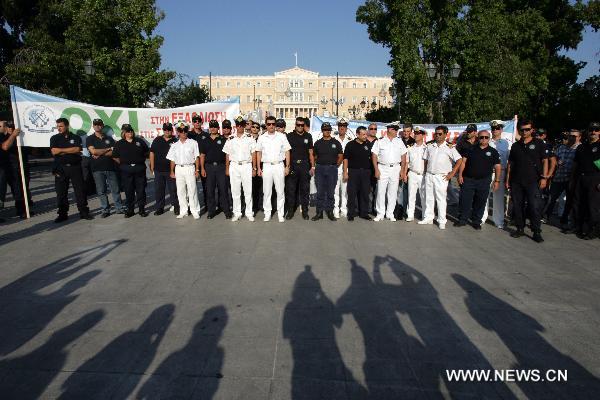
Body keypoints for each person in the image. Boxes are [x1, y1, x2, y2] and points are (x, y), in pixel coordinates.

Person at [505, 119, 549, 242]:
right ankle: (520, 228)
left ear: (532, 130)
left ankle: (536, 231)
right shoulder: (515, 146)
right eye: (522, 130)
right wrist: (508, 179)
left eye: (527, 129)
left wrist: (544, 177)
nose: (524, 132)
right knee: (518, 206)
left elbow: (545, 161)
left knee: (534, 206)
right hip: (516, 181)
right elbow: (510, 164)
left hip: (533, 181)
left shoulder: (539, 143)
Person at [419, 125, 463, 229]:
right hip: (429, 175)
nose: (437, 136)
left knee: (441, 199)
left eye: (440, 134)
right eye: (436, 133)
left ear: (445, 135)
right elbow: (425, 160)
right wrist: (425, 172)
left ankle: (442, 220)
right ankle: (428, 218)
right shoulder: (429, 146)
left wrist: (452, 174)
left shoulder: (450, 147)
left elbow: (459, 160)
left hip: (441, 177)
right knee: (429, 198)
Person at [456, 130, 502, 229]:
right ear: (478, 138)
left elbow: (498, 167)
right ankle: (462, 219)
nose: (484, 139)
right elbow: (463, 162)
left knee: (480, 202)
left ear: (489, 139)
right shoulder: (470, 148)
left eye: (486, 137)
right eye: (481, 137)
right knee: (465, 200)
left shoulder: (493, 152)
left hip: (484, 181)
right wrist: (460, 175)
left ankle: (476, 221)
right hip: (468, 179)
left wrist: (497, 181)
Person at [49, 118, 93, 222]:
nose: (59, 128)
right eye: (58, 126)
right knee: (61, 193)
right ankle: (62, 214)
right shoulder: (54, 138)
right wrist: (70, 150)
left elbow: (77, 149)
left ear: (67, 126)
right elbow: (54, 152)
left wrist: (61, 150)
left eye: (61, 126)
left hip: (75, 167)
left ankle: (84, 212)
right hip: (60, 168)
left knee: (80, 191)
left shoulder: (75, 137)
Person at [86, 118, 125, 218]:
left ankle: (119, 208)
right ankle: (105, 210)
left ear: (102, 126)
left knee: (115, 189)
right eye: (95, 125)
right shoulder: (90, 138)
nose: (97, 126)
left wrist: (100, 152)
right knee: (101, 191)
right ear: (93, 126)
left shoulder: (109, 138)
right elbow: (93, 152)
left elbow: (113, 152)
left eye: (99, 124)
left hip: (111, 167)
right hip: (97, 169)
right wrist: (107, 149)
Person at [256, 115, 291, 222]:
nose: (271, 126)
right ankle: (267, 213)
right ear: (266, 125)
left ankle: (280, 214)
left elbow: (287, 151)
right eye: (269, 124)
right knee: (267, 191)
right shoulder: (262, 137)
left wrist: (287, 166)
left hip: (279, 165)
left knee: (280, 191)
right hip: (266, 166)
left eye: (273, 124)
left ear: (275, 125)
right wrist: (258, 168)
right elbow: (259, 153)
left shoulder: (281, 136)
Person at [371, 124, 408, 222]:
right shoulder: (380, 141)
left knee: (393, 192)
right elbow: (374, 155)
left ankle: (390, 213)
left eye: (397, 129)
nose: (396, 131)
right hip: (382, 167)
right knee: (380, 192)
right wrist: (376, 169)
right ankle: (380, 213)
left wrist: (402, 170)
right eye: (394, 129)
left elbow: (403, 156)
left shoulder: (399, 141)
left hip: (396, 168)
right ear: (389, 129)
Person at [112, 123, 149, 218]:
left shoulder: (139, 141)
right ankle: (130, 210)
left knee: (140, 190)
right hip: (126, 170)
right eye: (127, 131)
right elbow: (115, 157)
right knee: (129, 191)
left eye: (131, 131)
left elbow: (147, 153)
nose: (130, 133)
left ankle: (141, 209)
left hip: (139, 169)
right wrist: (124, 164)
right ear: (123, 133)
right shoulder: (119, 143)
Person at [223, 117, 257, 222]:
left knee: (248, 191)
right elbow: (227, 154)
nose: (239, 127)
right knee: (235, 191)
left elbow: (254, 153)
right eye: (238, 125)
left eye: (241, 125)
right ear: (235, 126)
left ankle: (249, 212)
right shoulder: (230, 138)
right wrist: (227, 168)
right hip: (234, 166)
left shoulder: (250, 137)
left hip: (246, 165)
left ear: (244, 126)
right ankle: (237, 213)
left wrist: (254, 168)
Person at [545, 128, 580, 226]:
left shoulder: (580, 148)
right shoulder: (561, 147)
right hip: (558, 177)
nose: (572, 138)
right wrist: (556, 162)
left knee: (569, 201)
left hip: (571, 179)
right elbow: (554, 159)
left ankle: (564, 219)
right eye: (570, 136)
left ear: (579, 137)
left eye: (574, 136)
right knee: (551, 198)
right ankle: (546, 216)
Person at [166, 121, 201, 219]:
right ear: (178, 132)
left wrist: (197, 170)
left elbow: (196, 157)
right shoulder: (174, 145)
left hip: (189, 167)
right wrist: (172, 171)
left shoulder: (193, 143)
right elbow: (172, 159)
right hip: (178, 169)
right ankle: (183, 211)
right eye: (181, 131)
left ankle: (195, 210)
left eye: (185, 130)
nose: (183, 132)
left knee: (192, 190)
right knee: (181, 191)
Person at [572, 122, 600, 239]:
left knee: (593, 206)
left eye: (596, 130)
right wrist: (572, 180)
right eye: (591, 129)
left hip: (595, 178)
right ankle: (578, 227)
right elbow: (575, 164)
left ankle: (593, 230)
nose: (593, 132)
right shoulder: (581, 146)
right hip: (580, 178)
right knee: (578, 203)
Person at [200, 119, 231, 219]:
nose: (213, 128)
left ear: (218, 128)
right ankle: (211, 211)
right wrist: (202, 169)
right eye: (211, 126)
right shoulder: (205, 139)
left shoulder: (224, 139)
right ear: (209, 128)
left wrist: (227, 168)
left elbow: (227, 155)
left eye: (215, 126)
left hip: (221, 167)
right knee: (210, 190)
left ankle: (226, 210)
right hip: (209, 167)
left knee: (223, 189)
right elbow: (202, 155)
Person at [482, 120, 511, 228]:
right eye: (493, 128)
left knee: (498, 198)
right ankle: (482, 217)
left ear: (501, 129)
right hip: (487, 172)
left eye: (497, 128)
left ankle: (499, 221)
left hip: (501, 173)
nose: (495, 130)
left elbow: (510, 161)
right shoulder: (486, 142)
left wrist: (509, 177)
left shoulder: (507, 143)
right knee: (484, 196)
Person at [285, 116, 315, 220]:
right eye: (298, 125)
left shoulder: (308, 136)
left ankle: (305, 212)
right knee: (291, 190)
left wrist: (312, 166)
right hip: (293, 165)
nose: (300, 127)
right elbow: (286, 152)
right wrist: (287, 166)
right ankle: (290, 211)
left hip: (304, 165)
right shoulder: (289, 136)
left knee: (305, 190)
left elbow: (311, 152)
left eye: (302, 125)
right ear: (295, 125)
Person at [312, 122, 343, 221]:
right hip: (320, 169)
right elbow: (315, 156)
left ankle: (330, 212)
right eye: (325, 129)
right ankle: (319, 212)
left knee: (330, 192)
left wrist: (334, 165)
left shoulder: (336, 142)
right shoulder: (317, 143)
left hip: (332, 169)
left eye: (329, 129)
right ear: (322, 131)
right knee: (320, 192)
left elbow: (340, 156)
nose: (327, 131)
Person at [0, 121, 29, 218]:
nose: (11, 128)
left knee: (20, 189)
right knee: (5, 192)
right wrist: (12, 135)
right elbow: (5, 146)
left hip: (20, 166)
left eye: (12, 126)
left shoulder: (19, 136)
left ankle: (22, 209)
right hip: (6, 169)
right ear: (5, 128)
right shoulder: (2, 137)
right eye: (8, 127)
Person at [343, 126, 372, 221]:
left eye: (366, 134)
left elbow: (373, 157)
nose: (365, 136)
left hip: (366, 172)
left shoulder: (368, 144)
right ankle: (351, 213)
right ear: (357, 134)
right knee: (352, 193)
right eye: (363, 134)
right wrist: (345, 172)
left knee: (364, 193)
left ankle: (363, 213)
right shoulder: (350, 145)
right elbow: (345, 159)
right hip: (353, 172)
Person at [150, 122, 179, 216]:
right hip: (158, 170)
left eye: (169, 129)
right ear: (163, 130)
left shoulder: (175, 140)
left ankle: (176, 207)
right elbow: (152, 153)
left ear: (172, 130)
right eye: (165, 129)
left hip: (171, 170)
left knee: (173, 190)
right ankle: (160, 208)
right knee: (159, 190)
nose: (167, 131)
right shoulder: (157, 140)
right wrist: (152, 166)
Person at [405, 127, 427, 222]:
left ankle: (425, 215)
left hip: (423, 175)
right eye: (415, 133)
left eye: (418, 133)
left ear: (423, 135)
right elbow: (407, 162)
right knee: (411, 195)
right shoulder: (410, 148)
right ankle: (410, 214)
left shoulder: (427, 148)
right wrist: (405, 174)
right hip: (412, 173)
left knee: (424, 197)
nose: (416, 135)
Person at [334, 118, 353, 218]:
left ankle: (344, 209)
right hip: (336, 168)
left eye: (344, 126)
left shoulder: (350, 140)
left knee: (345, 191)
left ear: (346, 128)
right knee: (335, 190)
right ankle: (335, 209)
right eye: (340, 126)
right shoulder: (333, 139)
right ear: (338, 127)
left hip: (346, 169)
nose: (342, 128)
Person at [366, 123, 379, 215]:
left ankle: (373, 208)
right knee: (364, 189)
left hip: (375, 169)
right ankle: (364, 208)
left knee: (375, 190)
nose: (373, 130)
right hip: (365, 168)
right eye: (371, 128)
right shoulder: (363, 140)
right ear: (368, 129)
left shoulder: (380, 141)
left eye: (375, 129)